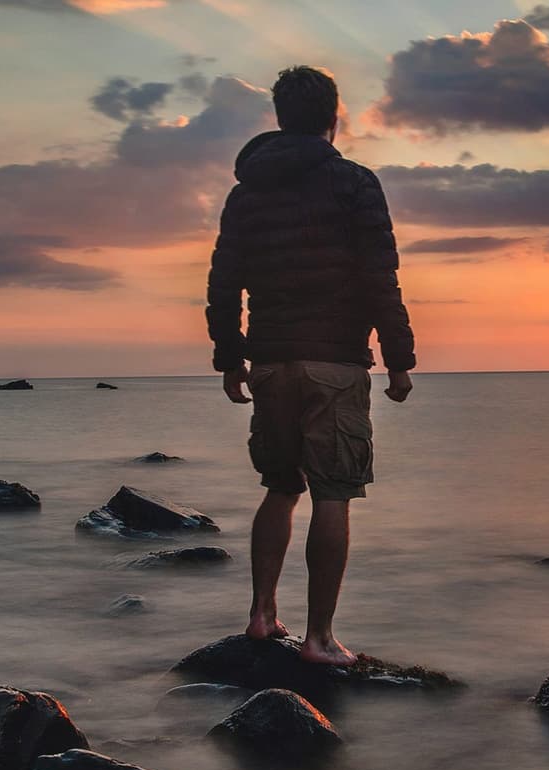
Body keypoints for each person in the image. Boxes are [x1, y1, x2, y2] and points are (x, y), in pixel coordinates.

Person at [206, 65, 416, 666]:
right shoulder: (354, 183)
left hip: (270, 361)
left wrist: (230, 356)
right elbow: (380, 275)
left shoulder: (246, 193)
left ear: (279, 117)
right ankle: (319, 640)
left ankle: (261, 615)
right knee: (332, 494)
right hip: (335, 362)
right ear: (333, 116)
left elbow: (225, 281)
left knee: (279, 487)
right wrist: (398, 360)